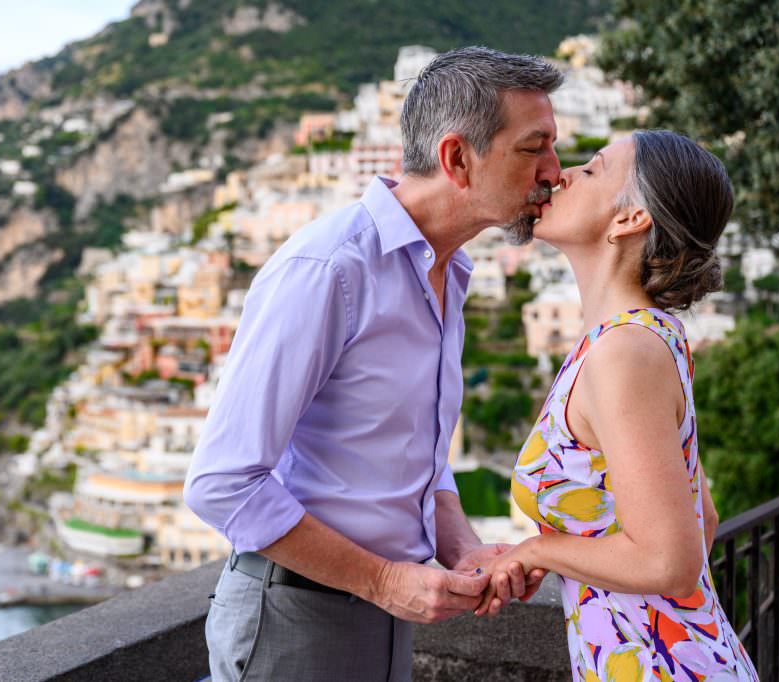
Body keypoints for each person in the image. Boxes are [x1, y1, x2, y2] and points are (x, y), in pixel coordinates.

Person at [184, 46, 562, 681]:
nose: (555, 170)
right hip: (297, 617)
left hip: (380, 613)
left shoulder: (450, 272)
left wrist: (463, 551)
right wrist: (385, 580)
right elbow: (222, 483)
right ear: (457, 159)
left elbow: (418, 459)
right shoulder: (329, 268)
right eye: (534, 148)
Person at [475, 130, 759, 680]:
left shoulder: (623, 353)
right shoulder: (645, 338)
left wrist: (536, 553)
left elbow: (669, 563)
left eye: (594, 169)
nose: (564, 174)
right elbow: (703, 516)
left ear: (631, 219)